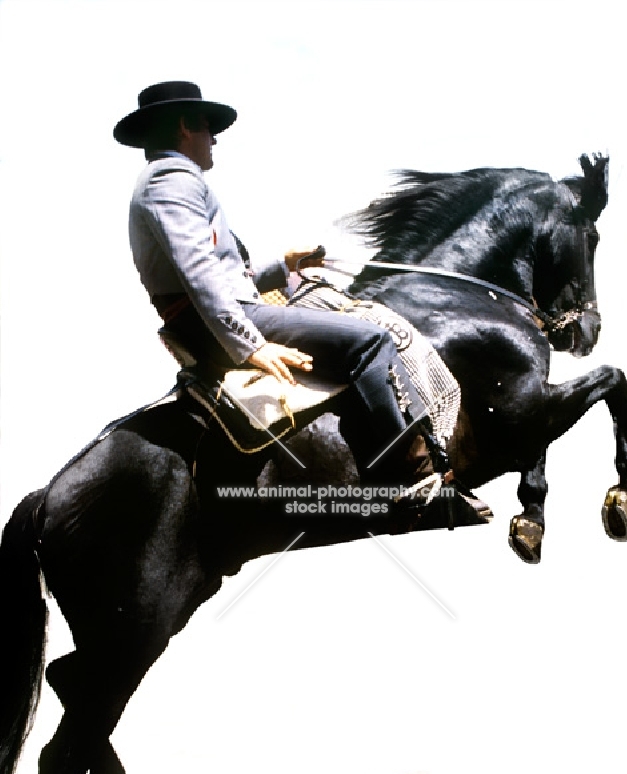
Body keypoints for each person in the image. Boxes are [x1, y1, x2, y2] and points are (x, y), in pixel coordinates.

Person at [113, 81, 489, 526]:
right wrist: (250, 346)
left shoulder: (170, 181)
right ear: (183, 126)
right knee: (371, 342)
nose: (214, 138)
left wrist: (283, 265)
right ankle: (410, 477)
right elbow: (200, 276)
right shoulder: (171, 181)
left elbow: (227, 275)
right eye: (207, 128)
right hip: (217, 321)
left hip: (222, 310)